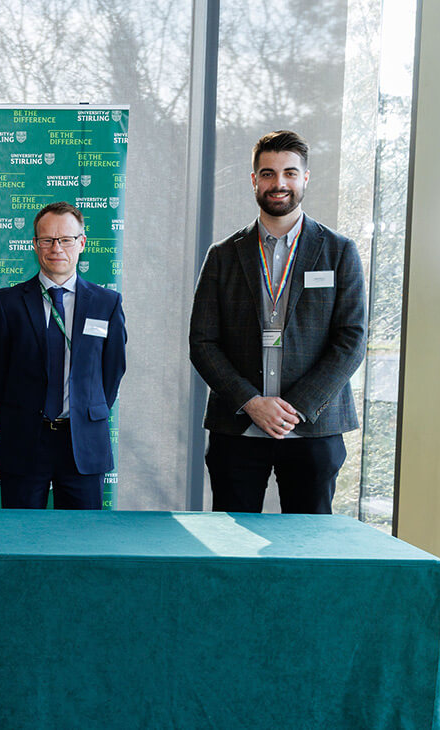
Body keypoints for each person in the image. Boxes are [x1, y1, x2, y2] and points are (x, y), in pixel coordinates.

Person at [190, 130, 366, 514]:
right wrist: (252, 402)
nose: (279, 183)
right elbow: (202, 343)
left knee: (309, 547)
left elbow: (351, 340)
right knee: (233, 548)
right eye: (268, 173)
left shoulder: (339, 251)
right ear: (254, 180)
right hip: (238, 428)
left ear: (305, 178)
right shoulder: (222, 255)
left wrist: (296, 408)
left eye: (289, 172)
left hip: (312, 429)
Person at [0, 201, 126, 509]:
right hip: (25, 440)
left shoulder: (107, 303)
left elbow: (112, 371)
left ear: (81, 243)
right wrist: (20, 414)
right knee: (21, 540)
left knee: (81, 544)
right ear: (35, 244)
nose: (56, 247)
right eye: (47, 239)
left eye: (66, 239)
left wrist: (87, 409)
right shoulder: (7, 304)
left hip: (83, 444)